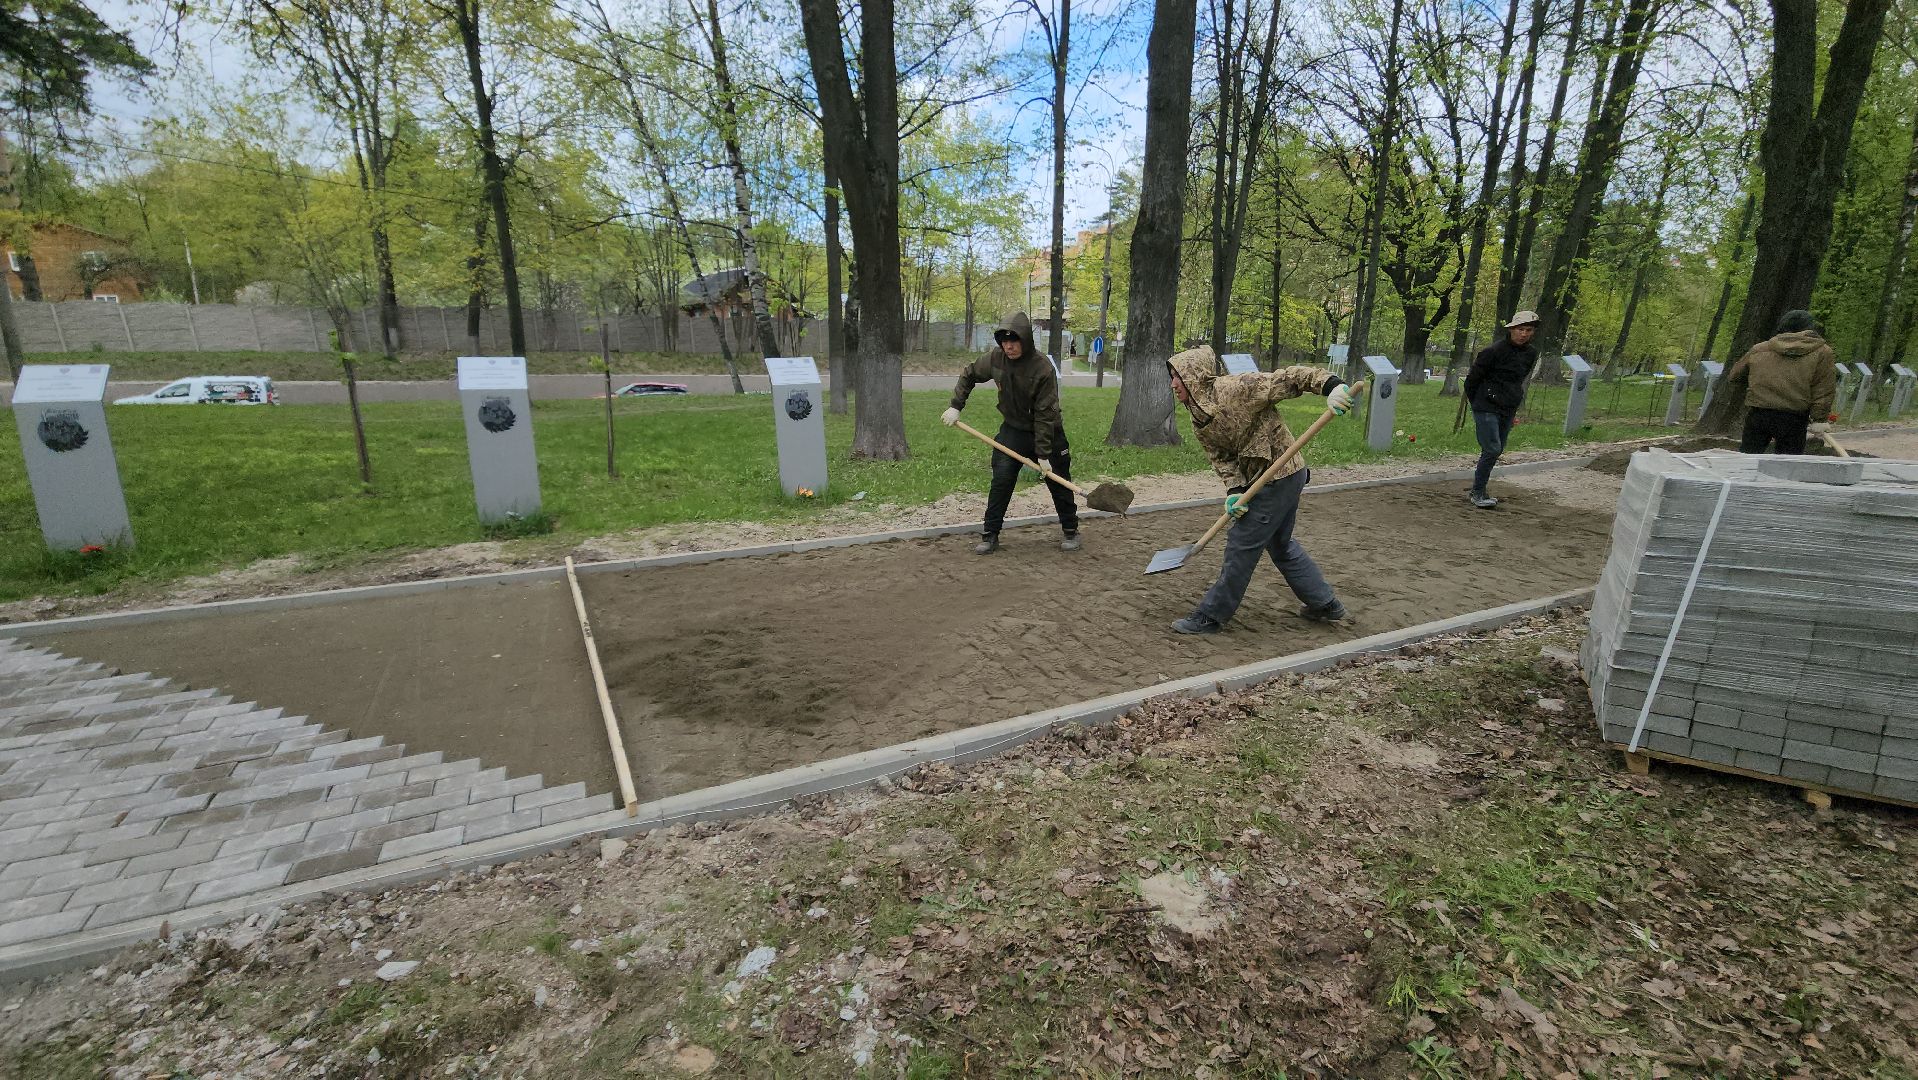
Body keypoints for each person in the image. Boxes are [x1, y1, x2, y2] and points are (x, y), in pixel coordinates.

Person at [1164, 347, 1355, 635]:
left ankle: (1211, 615)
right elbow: (1221, 457)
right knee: (1280, 545)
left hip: (1281, 474)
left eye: (1177, 376)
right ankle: (1324, 603)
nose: (1173, 384)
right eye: (1172, 377)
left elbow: (1292, 377)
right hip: (1265, 479)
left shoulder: (1238, 388)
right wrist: (1235, 490)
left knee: (1242, 544)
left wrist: (1332, 386)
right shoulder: (1197, 414)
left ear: (1194, 376)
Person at [942, 312, 1080, 554]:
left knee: (1059, 482)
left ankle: (1071, 530)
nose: (1009, 346)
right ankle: (990, 535)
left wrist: (1044, 454)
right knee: (1002, 479)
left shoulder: (1042, 368)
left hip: (1048, 431)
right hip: (1013, 429)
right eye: (1004, 341)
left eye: (1014, 340)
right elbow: (970, 373)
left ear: (1025, 340)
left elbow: (1045, 415)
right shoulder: (996, 359)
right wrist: (956, 405)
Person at [1727, 309, 1838, 455]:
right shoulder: (1823, 352)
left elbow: (1735, 376)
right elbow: (1823, 390)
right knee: (1788, 466)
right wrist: (1819, 419)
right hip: (1794, 418)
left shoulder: (1760, 349)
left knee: (1748, 460)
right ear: (1809, 328)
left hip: (1759, 414)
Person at [1462, 310, 1542, 509]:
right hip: (1486, 405)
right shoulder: (1493, 351)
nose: (1523, 334)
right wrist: (1479, 403)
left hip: (1508, 407)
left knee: (1496, 450)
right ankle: (1477, 492)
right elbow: (1472, 380)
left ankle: (1479, 488)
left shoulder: (1531, 353)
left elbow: (1519, 379)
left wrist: (1513, 401)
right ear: (1512, 329)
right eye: (1520, 329)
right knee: (1492, 448)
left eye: (1528, 330)